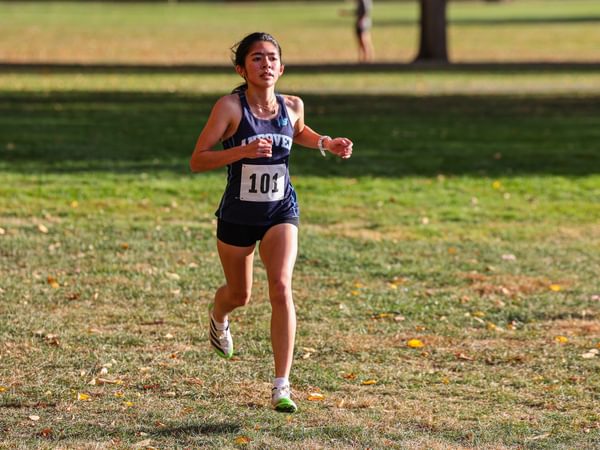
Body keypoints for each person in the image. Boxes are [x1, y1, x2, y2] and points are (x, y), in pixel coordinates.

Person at [189, 32, 353, 413]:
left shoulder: (291, 105)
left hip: (281, 210)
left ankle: (282, 386)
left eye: (271, 58)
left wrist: (327, 143)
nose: (266, 64)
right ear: (241, 69)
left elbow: (299, 132)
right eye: (257, 58)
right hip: (237, 214)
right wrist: (242, 151)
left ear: (281, 66)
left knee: (281, 287)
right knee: (240, 294)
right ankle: (219, 316)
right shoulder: (230, 108)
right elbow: (197, 159)